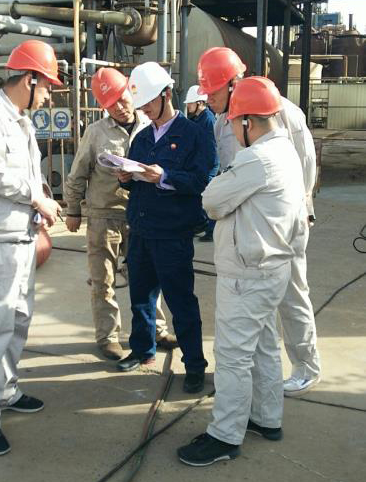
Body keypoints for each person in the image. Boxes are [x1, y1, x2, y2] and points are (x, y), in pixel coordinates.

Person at [178, 76, 308, 466]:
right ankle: (266, 417)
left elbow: (212, 201)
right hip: (272, 269)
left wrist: (223, 184)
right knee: (265, 346)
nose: (232, 130)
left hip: (248, 274)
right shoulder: (286, 151)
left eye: (234, 122)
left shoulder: (256, 158)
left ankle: (225, 435)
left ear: (249, 121)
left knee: (233, 356)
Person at [197, 46, 321, 397]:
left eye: (213, 91)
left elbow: (305, 164)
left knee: (292, 294)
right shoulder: (222, 123)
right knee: (258, 305)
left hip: (283, 222)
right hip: (248, 222)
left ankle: (306, 366)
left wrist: (303, 209)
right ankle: (258, 377)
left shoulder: (281, 111)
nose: (208, 99)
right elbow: (228, 172)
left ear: (233, 83)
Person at [0, 40, 62, 456]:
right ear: (30, 79)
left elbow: (28, 175)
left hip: (20, 238)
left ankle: (4, 390)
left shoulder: (20, 121)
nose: (49, 97)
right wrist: (35, 197)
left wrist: (42, 197)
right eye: (47, 87)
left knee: (17, 321)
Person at [64, 67, 177, 361]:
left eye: (122, 98)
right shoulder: (96, 132)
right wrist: (73, 210)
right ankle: (108, 336)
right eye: (110, 103)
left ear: (131, 92)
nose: (119, 107)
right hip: (104, 215)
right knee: (103, 280)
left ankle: (157, 330)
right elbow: (78, 173)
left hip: (140, 216)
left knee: (148, 278)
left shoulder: (149, 124)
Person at [116, 62, 212, 393]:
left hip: (172, 233)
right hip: (141, 229)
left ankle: (195, 364)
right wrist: (126, 177)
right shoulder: (142, 137)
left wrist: (165, 177)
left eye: (147, 103)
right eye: (140, 104)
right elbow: (135, 181)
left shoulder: (194, 134)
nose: (143, 110)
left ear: (166, 94)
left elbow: (203, 180)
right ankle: (143, 350)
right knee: (140, 297)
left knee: (181, 302)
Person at [183, 85, 219, 242]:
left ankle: (211, 230)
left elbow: (211, 147)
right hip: (201, 163)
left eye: (190, 103)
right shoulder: (199, 119)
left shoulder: (208, 120)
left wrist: (209, 169)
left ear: (199, 103)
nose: (188, 106)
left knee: (208, 196)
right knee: (198, 196)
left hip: (208, 165)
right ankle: (201, 224)